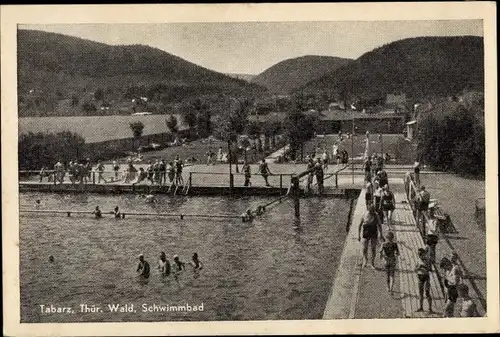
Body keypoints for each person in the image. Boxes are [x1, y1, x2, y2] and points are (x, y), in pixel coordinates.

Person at [416, 248, 434, 313]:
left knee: (427, 293)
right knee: (420, 293)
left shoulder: (428, 260)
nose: (419, 255)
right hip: (420, 277)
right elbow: (415, 269)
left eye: (420, 254)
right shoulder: (418, 260)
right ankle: (421, 307)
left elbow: (431, 269)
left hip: (426, 277)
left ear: (424, 254)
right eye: (418, 254)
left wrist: (424, 266)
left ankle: (430, 309)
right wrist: (418, 267)